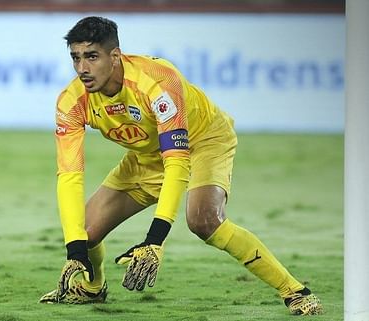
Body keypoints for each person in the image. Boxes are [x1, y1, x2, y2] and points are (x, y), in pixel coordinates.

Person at [39, 16, 322, 315]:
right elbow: (70, 176)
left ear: (115, 56)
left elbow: (176, 160)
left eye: (92, 56)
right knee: (85, 231)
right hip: (146, 157)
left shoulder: (158, 81)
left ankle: (295, 290)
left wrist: (155, 239)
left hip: (204, 141)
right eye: (76, 57)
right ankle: (93, 288)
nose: (82, 68)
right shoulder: (71, 101)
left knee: (204, 220)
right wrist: (75, 248)